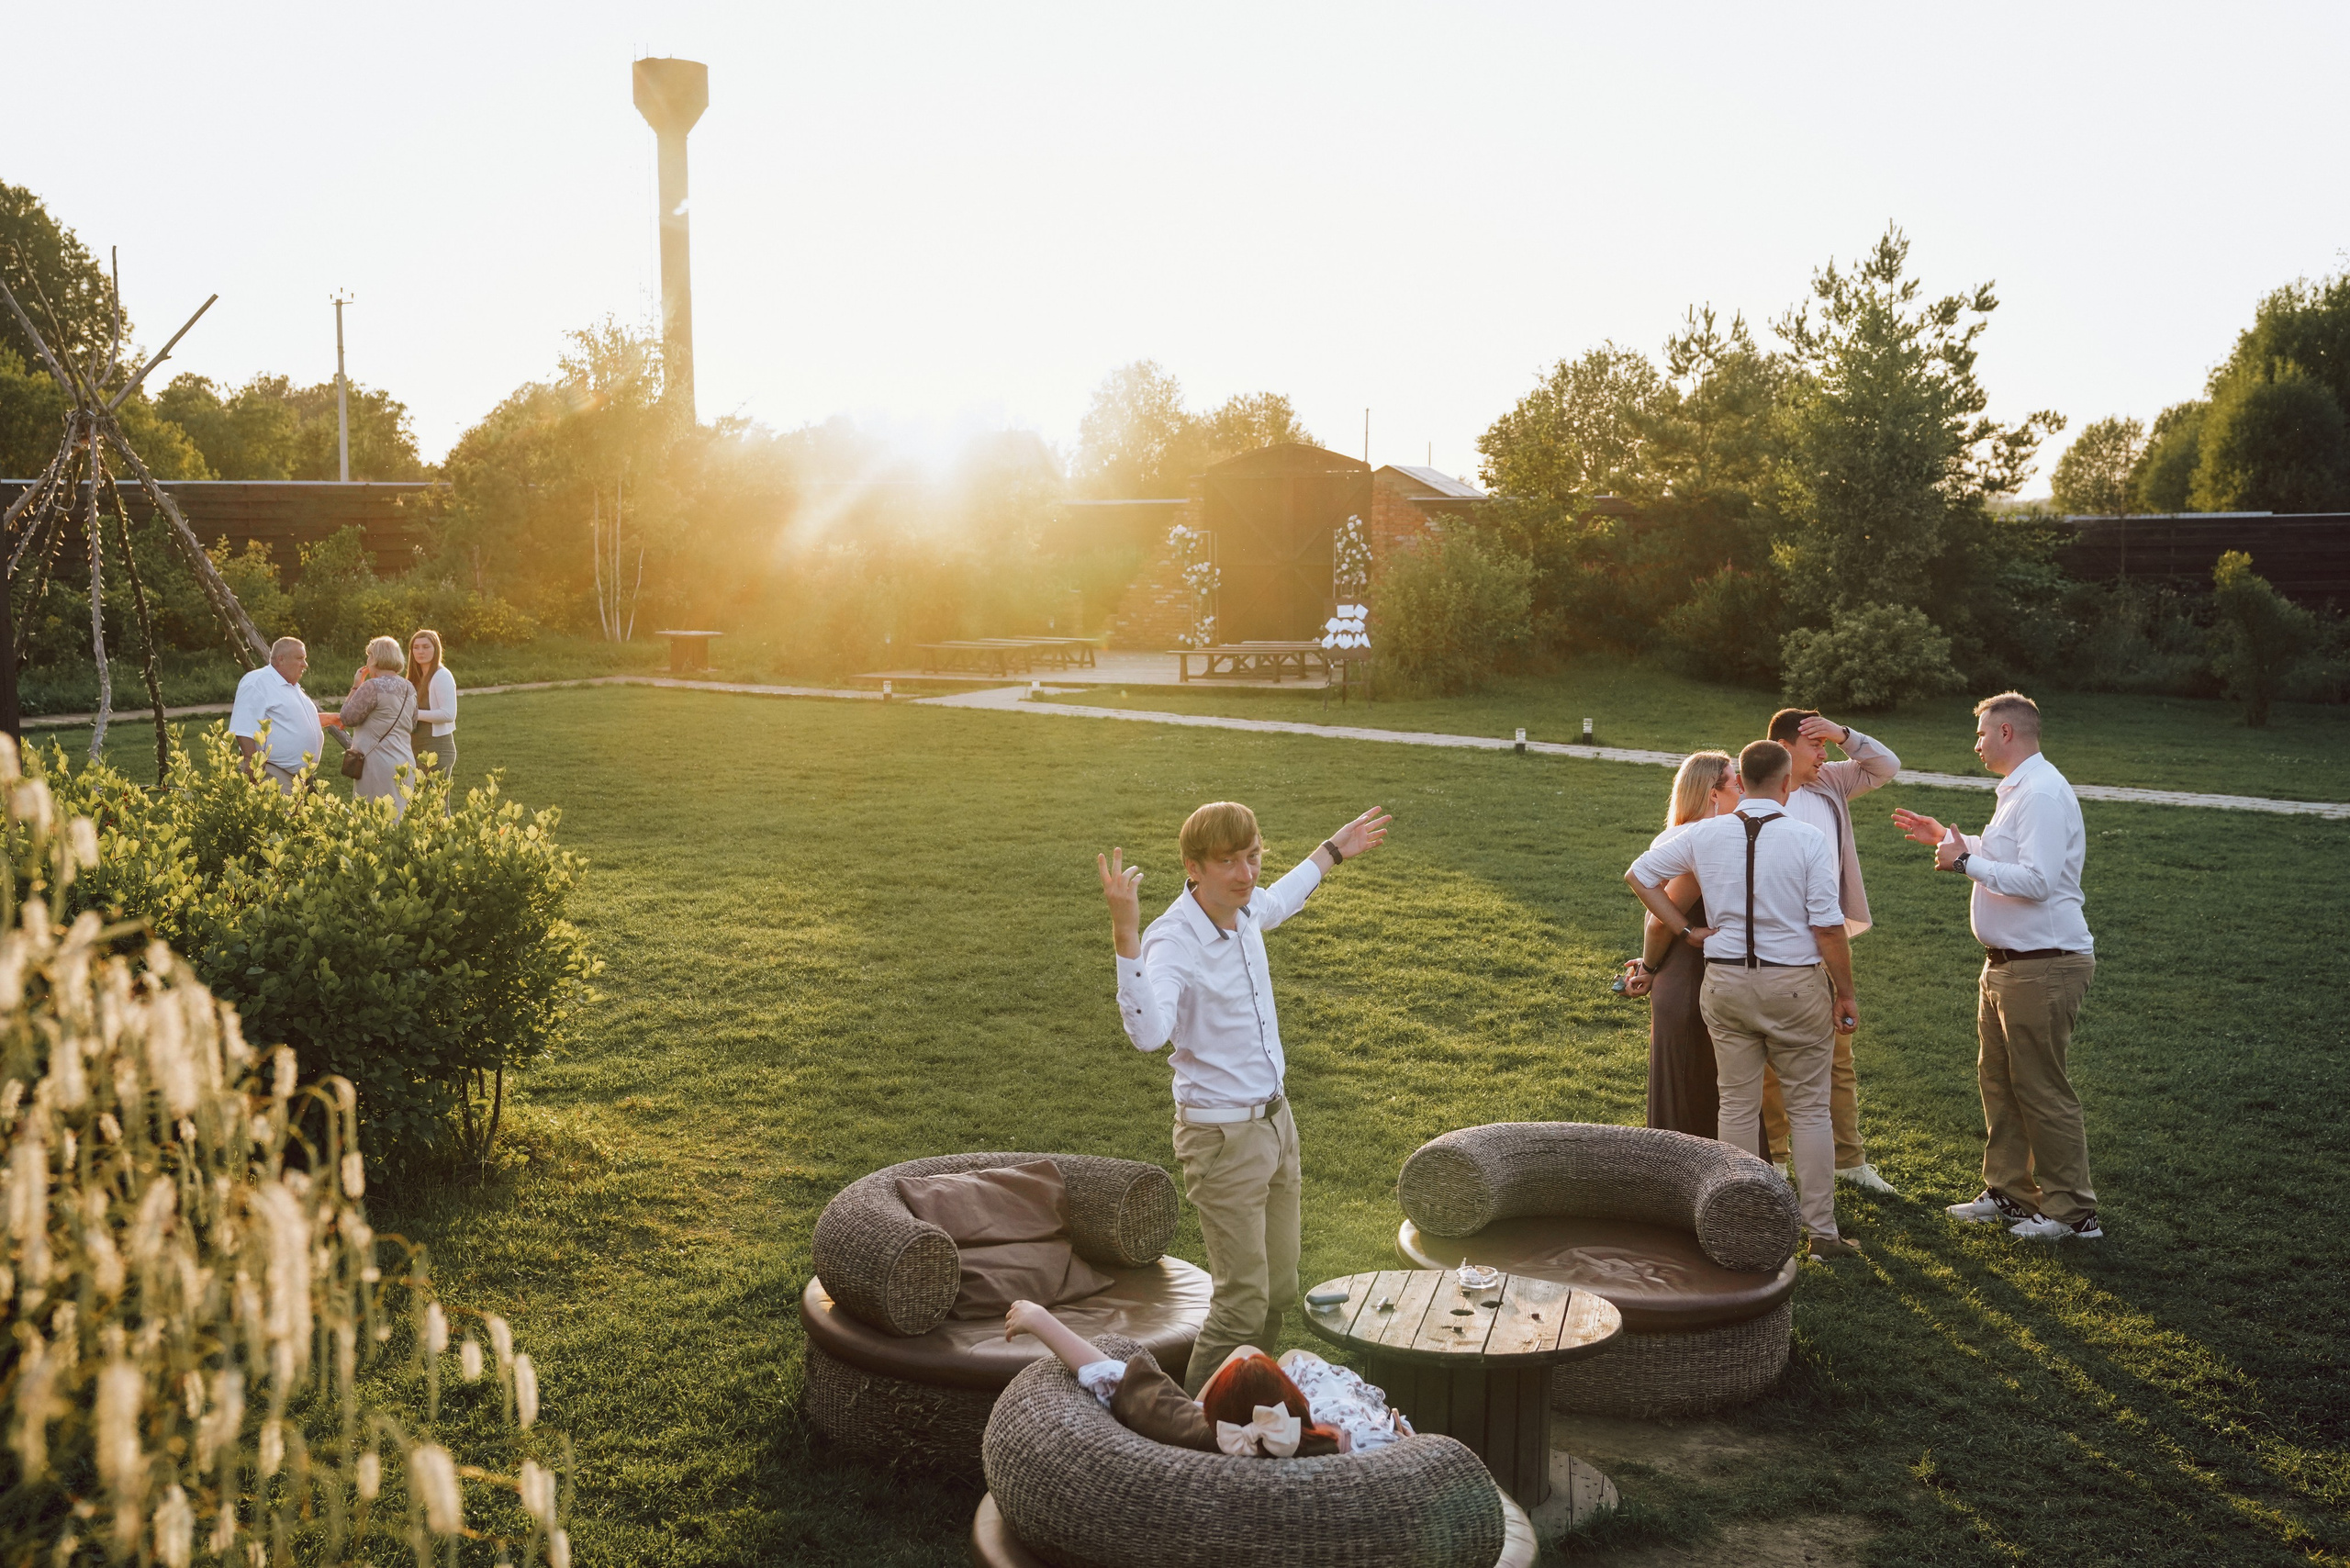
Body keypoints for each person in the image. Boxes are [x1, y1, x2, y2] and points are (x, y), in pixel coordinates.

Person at [1101, 801, 1391, 1393]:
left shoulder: (1247, 906)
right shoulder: (1173, 940)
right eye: (1228, 861)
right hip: (1222, 1138)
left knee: (1278, 1290)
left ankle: (1242, 1404)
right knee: (1240, 1304)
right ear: (1194, 867)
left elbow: (1279, 899)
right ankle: (1187, 1427)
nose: (1247, 873)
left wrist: (1333, 851)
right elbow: (1148, 1035)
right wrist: (1125, 932)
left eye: (1253, 856)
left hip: (1277, 1124)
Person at [1625, 739, 1860, 1258]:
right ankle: (1822, 1233)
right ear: (1784, 783)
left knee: (1734, 1105)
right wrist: (1845, 992)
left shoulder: (1703, 833)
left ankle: (1737, 1221)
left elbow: (1639, 876)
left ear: (1743, 782)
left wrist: (1686, 930)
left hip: (1725, 982)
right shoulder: (1806, 838)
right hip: (1794, 985)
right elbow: (1827, 927)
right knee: (1810, 1111)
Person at [1892, 692, 2101, 1242]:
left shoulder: (2041, 793)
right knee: (2002, 1082)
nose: (1977, 743)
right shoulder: (2019, 790)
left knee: (2042, 1088)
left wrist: (1963, 861)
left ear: (2007, 732)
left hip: (2043, 964)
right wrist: (1949, 840)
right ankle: (2010, 1192)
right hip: (2009, 965)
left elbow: (2039, 880)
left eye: (1982, 733)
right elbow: (2009, 856)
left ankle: (2073, 1214)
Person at [1758, 710, 1901, 1196]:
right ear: (1784, 748)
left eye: (1826, 745)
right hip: (1772, 945)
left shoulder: (1831, 781)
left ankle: (1849, 1161)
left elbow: (1886, 766)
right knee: (1770, 1062)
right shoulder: (1752, 792)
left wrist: (1843, 734)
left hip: (1825, 943)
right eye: (1815, 745)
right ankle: (1775, 1159)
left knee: (1839, 1058)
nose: (1824, 754)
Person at [1002, 1298, 1410, 1456]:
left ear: (1213, 1415)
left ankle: (1223, 1390)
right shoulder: (1354, 1449)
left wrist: (1041, 1321)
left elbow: (1111, 1377)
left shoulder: (1196, 1433)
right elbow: (1422, 1456)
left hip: (1248, 1414)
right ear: (1294, 1400)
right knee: (1289, 1356)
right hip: (1343, 1408)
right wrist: (1404, 1433)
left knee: (1248, 1355)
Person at [1620, 751, 1741, 1137]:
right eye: (1735, 782)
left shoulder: (1674, 836)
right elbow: (1660, 922)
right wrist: (1653, 964)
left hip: (1686, 972)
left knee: (1696, 1089)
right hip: (1693, 975)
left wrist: (1649, 965)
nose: (1742, 789)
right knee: (1703, 1091)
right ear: (1712, 793)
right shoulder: (1704, 839)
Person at [228, 636, 326, 795]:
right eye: (300, 658)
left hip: (298, 778)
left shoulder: (292, 687)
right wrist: (251, 761)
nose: (305, 664)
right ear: (281, 659)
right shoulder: (258, 681)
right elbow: (244, 726)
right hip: (273, 774)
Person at [336, 636, 420, 815]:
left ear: (375, 658)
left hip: (377, 763)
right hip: (405, 760)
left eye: (369, 655)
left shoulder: (372, 686)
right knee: (399, 816)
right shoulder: (409, 688)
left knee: (373, 817)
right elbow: (412, 724)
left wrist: (356, 686)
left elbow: (347, 718)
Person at [407, 628, 458, 785]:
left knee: (435, 799)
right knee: (417, 797)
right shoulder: (416, 676)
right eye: (416, 647)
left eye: (426, 647)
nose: (420, 651)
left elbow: (448, 714)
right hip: (416, 746)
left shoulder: (441, 675)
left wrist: (414, 713)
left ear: (436, 649)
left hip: (437, 747)